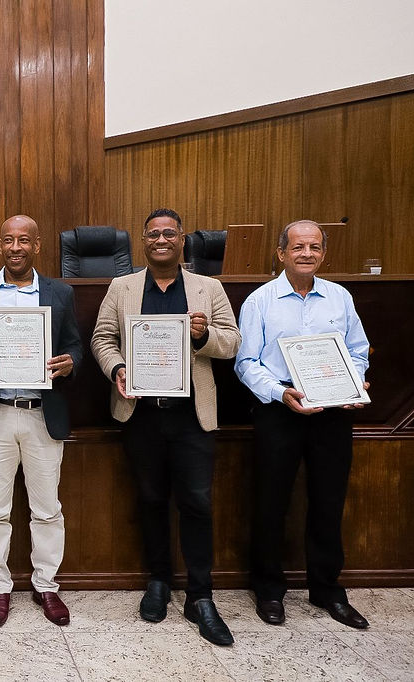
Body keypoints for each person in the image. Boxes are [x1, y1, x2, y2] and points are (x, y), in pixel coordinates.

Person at [91, 208, 240, 646]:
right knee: (151, 499)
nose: (161, 239)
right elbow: (102, 337)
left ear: (181, 241)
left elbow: (232, 342)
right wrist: (118, 368)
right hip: (141, 414)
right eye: (153, 233)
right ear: (143, 240)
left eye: (169, 233)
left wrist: (201, 336)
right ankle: (158, 581)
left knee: (197, 502)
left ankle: (201, 596)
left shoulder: (207, 288)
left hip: (192, 416)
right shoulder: (121, 287)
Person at [235, 220, 371, 630]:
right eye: (298, 247)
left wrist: (355, 379)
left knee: (329, 502)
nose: (306, 253)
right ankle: (269, 589)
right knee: (271, 502)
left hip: (332, 411)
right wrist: (281, 394)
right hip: (281, 408)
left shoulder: (340, 297)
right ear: (281, 254)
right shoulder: (260, 301)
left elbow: (358, 350)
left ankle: (327, 589)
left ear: (323, 254)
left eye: (314, 247)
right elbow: (246, 363)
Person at [0, 215, 84, 627]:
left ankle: (46, 585)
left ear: (37, 245)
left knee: (47, 508)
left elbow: (75, 346)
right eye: (8, 240)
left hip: (42, 415)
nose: (15, 247)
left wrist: (70, 363)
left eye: (23, 240)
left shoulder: (60, 293)